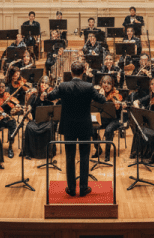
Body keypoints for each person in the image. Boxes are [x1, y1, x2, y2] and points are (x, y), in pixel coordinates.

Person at [45, 61, 107, 197]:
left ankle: (71, 188)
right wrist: (101, 92)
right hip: (84, 126)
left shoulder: (63, 86)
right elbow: (102, 100)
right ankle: (84, 188)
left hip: (68, 126)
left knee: (70, 156)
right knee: (85, 156)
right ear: (83, 72)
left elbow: (49, 97)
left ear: (71, 72)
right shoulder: (89, 86)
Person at [23, 76, 58, 159]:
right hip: (36, 120)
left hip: (48, 121)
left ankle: (48, 153)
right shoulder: (35, 94)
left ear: (49, 85)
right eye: (42, 82)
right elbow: (30, 106)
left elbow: (55, 108)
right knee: (29, 127)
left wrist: (48, 98)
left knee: (50, 127)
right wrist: (29, 113)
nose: (44, 85)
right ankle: (30, 153)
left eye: (46, 83)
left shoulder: (52, 95)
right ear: (39, 83)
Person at [97, 75, 124, 162]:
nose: (106, 85)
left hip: (115, 119)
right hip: (103, 118)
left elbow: (118, 106)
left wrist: (118, 105)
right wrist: (100, 97)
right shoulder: (99, 93)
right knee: (91, 126)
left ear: (112, 85)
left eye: (109, 83)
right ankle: (98, 149)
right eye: (104, 83)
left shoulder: (116, 94)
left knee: (108, 130)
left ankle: (107, 154)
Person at [0, 81, 19, 158]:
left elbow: (12, 105)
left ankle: (10, 146)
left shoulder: (7, 95)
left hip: (6, 117)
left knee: (13, 124)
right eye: (0, 87)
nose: (2, 89)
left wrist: (15, 106)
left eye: (3, 87)